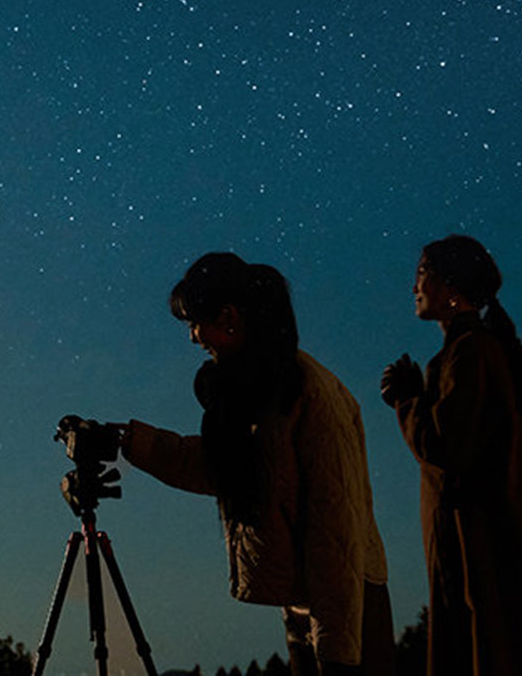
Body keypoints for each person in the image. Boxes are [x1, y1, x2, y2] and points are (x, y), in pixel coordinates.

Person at [118, 253, 395, 676]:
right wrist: (128, 441)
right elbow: (218, 467)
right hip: (308, 602)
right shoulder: (258, 388)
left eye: (195, 322)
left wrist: (338, 653)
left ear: (229, 318)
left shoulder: (305, 390)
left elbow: (336, 527)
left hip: (346, 609)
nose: (193, 337)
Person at [380, 235, 522, 675]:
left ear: (451, 286)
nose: (413, 285)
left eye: (422, 273)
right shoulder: (472, 351)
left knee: (480, 649)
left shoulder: (469, 352)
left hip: (473, 551)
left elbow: (445, 447)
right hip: (479, 544)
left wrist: (406, 399)